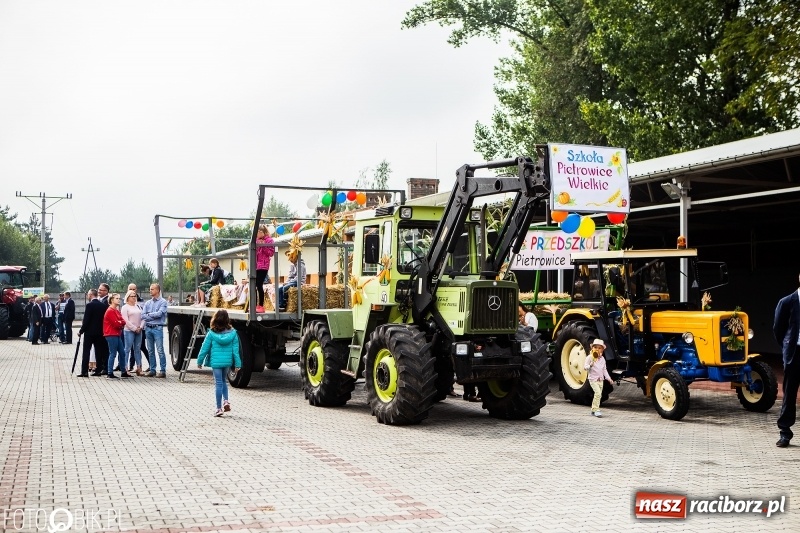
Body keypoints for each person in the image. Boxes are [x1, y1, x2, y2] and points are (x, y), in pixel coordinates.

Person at [196, 309, 241, 417]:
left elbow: (204, 348)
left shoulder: (211, 333)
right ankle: (226, 401)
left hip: (216, 363)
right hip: (227, 362)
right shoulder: (233, 333)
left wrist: (199, 361)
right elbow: (236, 351)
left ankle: (218, 408)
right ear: (227, 320)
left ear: (215, 319)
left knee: (218, 383)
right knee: (224, 381)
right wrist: (238, 364)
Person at [773, 274, 800, 448]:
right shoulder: (787, 302)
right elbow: (778, 328)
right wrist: (786, 347)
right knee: (790, 393)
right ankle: (785, 433)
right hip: (795, 353)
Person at [78, 289, 109, 377]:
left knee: (86, 351)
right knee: (98, 351)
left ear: (91, 295)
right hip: (99, 332)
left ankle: (84, 371)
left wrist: (81, 331)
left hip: (89, 332)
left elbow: (86, 320)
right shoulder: (103, 306)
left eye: (88, 294)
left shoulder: (89, 305)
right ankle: (98, 370)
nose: (88, 296)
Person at [141, 283, 169, 378]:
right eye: (150, 289)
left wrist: (149, 315)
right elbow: (142, 315)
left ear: (157, 290)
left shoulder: (163, 302)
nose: (150, 291)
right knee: (151, 351)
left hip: (157, 328)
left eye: (152, 289)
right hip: (148, 328)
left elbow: (160, 314)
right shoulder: (148, 303)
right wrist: (151, 315)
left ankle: (162, 370)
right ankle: (152, 370)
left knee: (160, 350)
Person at [584, 339, 614, 417]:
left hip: (601, 380)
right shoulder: (589, 358)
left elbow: (604, 370)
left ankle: (593, 409)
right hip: (593, 379)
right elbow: (585, 367)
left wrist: (609, 378)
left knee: (599, 395)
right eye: (595, 347)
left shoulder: (602, 359)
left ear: (602, 350)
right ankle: (596, 410)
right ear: (592, 348)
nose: (597, 349)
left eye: (599, 348)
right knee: (597, 393)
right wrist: (590, 365)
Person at [104, 293, 130, 379]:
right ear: (112, 300)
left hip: (117, 334)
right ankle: (109, 372)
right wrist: (120, 323)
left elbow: (123, 321)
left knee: (122, 353)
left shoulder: (116, 310)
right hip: (111, 334)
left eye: (119, 298)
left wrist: (120, 323)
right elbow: (115, 324)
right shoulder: (110, 311)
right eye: (116, 298)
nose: (119, 300)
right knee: (113, 353)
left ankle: (123, 371)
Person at [122, 291, 144, 376]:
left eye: (135, 296)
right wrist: (134, 328)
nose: (134, 297)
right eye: (132, 296)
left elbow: (143, 317)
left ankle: (139, 367)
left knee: (137, 349)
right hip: (129, 331)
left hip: (139, 330)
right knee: (127, 349)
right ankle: (125, 368)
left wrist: (141, 327)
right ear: (128, 297)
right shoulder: (125, 307)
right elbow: (125, 320)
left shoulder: (138, 306)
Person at [255, 224, 275, 313]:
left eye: (260, 232)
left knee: (259, 284)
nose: (258, 234)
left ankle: (261, 305)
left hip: (263, 265)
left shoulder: (269, 240)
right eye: (257, 232)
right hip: (255, 265)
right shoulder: (255, 240)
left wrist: (263, 246)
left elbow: (270, 253)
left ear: (264, 232)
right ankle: (255, 305)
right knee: (254, 285)